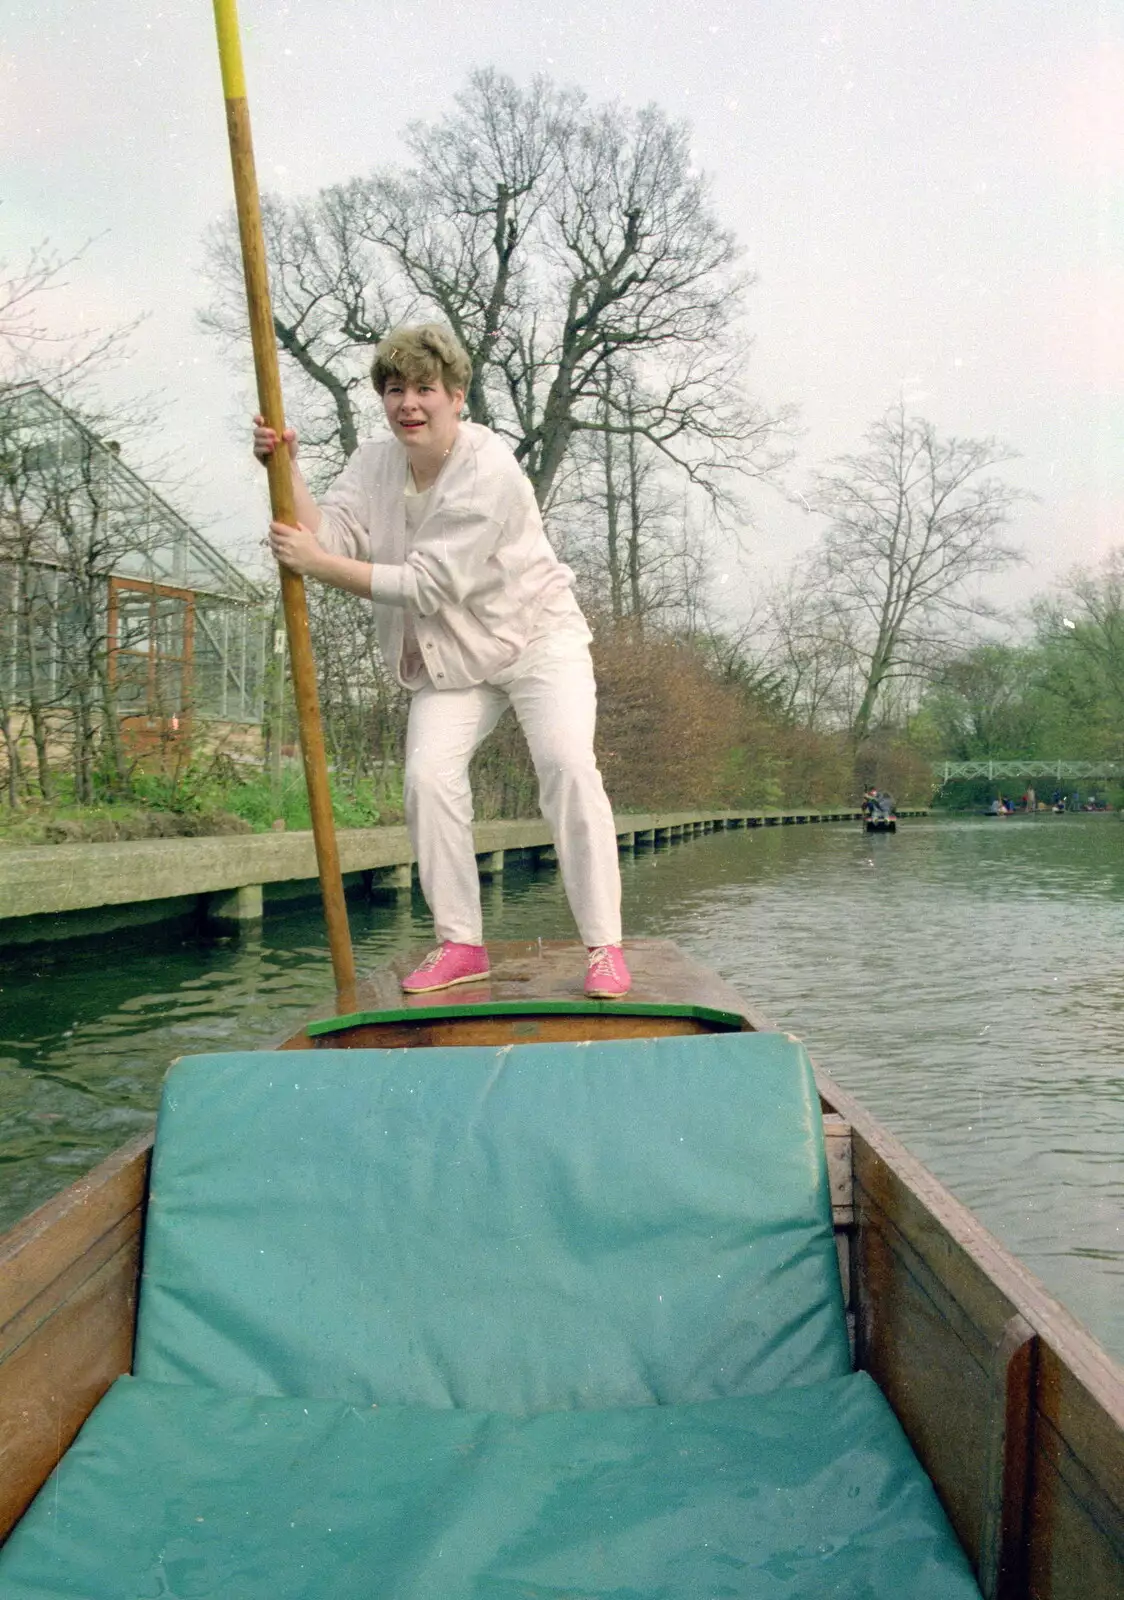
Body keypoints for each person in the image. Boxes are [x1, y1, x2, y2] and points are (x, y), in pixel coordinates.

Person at [253, 323, 630, 999]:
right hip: (451, 653)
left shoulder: (488, 468)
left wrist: (318, 566)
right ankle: (462, 943)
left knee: (568, 765)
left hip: (538, 640)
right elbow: (329, 533)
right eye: (395, 390)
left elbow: (426, 582)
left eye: (425, 389)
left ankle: (604, 945)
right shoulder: (374, 463)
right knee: (427, 778)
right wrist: (285, 467)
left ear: (457, 398)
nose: (409, 404)